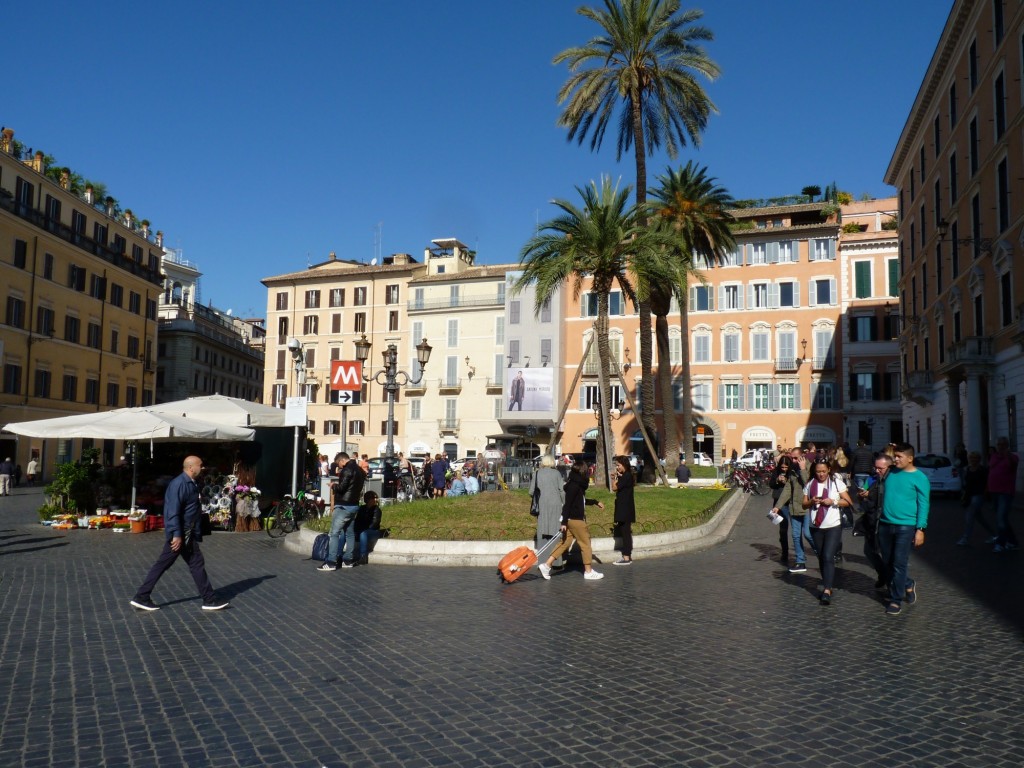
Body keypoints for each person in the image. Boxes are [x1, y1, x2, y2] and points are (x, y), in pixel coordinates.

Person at [130, 456, 229, 612]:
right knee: (185, 563)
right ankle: (208, 599)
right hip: (182, 533)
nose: (202, 468)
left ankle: (208, 598)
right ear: (191, 467)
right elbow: (172, 511)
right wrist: (176, 534)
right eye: (200, 465)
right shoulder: (179, 484)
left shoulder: (191, 483)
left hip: (186, 532)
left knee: (189, 563)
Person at [877, 443, 929, 616]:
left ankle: (896, 599)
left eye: (899, 457)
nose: (896, 459)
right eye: (895, 456)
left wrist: (920, 529)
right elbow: (878, 467)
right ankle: (907, 584)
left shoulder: (920, 477)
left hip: (906, 526)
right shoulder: (891, 471)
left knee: (899, 562)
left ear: (910, 458)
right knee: (888, 561)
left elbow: (924, 504)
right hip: (885, 523)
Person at [539, 460, 605, 580]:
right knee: (585, 544)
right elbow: (568, 504)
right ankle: (588, 571)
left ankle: (547, 565)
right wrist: (564, 522)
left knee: (565, 543)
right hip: (575, 520)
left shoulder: (574, 484)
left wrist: (595, 502)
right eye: (587, 470)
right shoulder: (575, 486)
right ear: (583, 471)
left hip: (570, 519)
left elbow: (580, 501)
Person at [803, 460, 854, 605]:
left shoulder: (837, 483)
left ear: (829, 470)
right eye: (818, 471)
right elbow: (803, 504)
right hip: (816, 526)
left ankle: (826, 589)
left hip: (833, 525)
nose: (821, 474)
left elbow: (848, 502)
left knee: (827, 555)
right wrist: (812, 501)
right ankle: (827, 582)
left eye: (823, 471)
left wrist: (833, 501)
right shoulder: (810, 484)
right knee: (821, 557)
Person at [319, 452, 366, 571]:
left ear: (341, 461)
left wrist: (333, 485)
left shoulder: (347, 470)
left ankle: (331, 562)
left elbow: (342, 488)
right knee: (349, 533)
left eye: (338, 463)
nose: (339, 466)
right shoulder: (359, 470)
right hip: (354, 505)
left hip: (343, 506)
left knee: (334, 533)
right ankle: (348, 560)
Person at [855, 453, 891, 590]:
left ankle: (902, 583)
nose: (876, 471)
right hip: (871, 521)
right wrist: (862, 496)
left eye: (880, 468)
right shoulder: (872, 479)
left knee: (888, 556)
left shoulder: (891, 481)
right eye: (875, 468)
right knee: (869, 551)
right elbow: (866, 499)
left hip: (885, 522)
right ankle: (883, 574)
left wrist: (870, 495)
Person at [529, 455, 566, 561]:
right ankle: (556, 561)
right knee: (556, 531)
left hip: (541, 505)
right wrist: (565, 503)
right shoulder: (557, 473)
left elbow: (531, 492)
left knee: (542, 531)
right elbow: (561, 490)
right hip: (556, 505)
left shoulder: (536, 474)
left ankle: (543, 560)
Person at [987, 437, 1019, 553]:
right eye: (999, 444)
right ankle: (1013, 541)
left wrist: (1007, 455)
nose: (1000, 447)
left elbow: (1012, 465)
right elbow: (991, 467)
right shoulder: (994, 456)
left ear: (1007, 445)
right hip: (994, 490)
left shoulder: (1013, 457)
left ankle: (1001, 543)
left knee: (1001, 518)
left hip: (1006, 492)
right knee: (1003, 519)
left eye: (1003, 444)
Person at [956, 451, 994, 546]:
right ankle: (994, 535)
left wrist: (986, 494)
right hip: (969, 496)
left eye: (975, 458)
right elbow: (965, 483)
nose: (973, 460)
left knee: (969, 517)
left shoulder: (983, 470)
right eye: (972, 458)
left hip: (978, 495)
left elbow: (987, 483)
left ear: (979, 459)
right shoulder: (967, 469)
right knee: (979, 518)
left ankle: (965, 538)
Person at [611, 455, 636, 565]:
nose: (617, 467)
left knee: (625, 532)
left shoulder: (626, 476)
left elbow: (615, 488)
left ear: (624, 465)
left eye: (618, 465)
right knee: (624, 531)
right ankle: (627, 555)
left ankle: (626, 557)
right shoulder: (626, 476)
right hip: (624, 507)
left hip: (625, 508)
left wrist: (614, 479)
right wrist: (619, 476)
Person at [353, 490, 383, 565]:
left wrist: (363, 530)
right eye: (373, 498)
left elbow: (374, 524)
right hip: (363, 530)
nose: (375, 500)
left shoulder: (377, 510)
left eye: (376, 498)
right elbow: (357, 521)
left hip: (373, 532)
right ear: (368, 499)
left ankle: (363, 557)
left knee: (363, 534)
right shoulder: (361, 509)